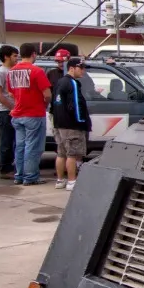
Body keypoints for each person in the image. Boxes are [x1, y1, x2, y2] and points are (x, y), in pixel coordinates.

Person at [7, 43, 52, 185]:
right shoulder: (37, 71)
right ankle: (30, 176)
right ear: (34, 54)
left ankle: (19, 175)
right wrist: (44, 104)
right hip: (34, 114)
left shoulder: (12, 71)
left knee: (20, 146)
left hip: (17, 114)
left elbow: (10, 93)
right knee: (33, 147)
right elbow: (47, 94)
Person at [51, 57, 91, 191]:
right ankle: (72, 181)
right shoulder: (72, 83)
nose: (83, 71)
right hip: (71, 125)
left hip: (59, 123)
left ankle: (60, 180)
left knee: (61, 153)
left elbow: (54, 103)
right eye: (81, 68)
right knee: (72, 154)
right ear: (72, 68)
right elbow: (76, 105)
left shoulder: (59, 82)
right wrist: (82, 121)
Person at [0, 45, 19, 179]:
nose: (17, 58)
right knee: (7, 140)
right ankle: (5, 170)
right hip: (5, 112)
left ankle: (14, 166)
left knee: (14, 140)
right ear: (6, 56)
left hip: (15, 110)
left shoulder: (14, 70)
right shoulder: (1, 72)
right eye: (14, 56)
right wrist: (12, 107)